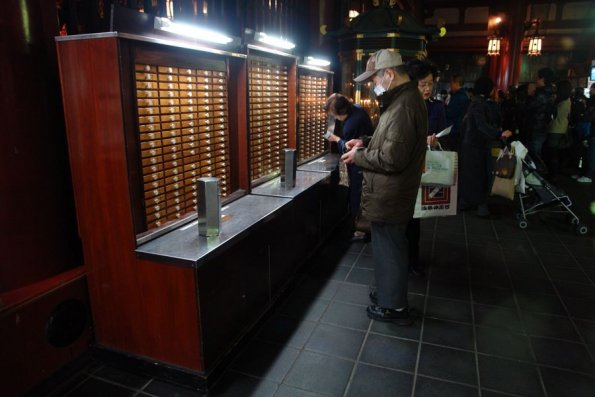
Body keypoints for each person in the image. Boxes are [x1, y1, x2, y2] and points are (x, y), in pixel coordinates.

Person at [341, 49, 427, 325]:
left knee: (389, 248)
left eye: (374, 79)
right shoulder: (402, 99)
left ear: (388, 74)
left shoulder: (403, 106)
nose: (372, 85)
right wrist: (364, 141)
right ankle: (389, 294)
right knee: (387, 246)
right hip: (389, 191)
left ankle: (394, 307)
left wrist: (358, 157)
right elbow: (389, 140)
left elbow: (392, 158)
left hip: (392, 192)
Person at [404, 58, 447, 277]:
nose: (428, 88)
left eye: (430, 83)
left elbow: (446, 133)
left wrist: (436, 140)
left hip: (425, 166)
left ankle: (413, 260)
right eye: (423, 84)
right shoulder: (403, 106)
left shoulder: (437, 107)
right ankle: (402, 260)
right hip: (405, 168)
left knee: (416, 216)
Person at [458, 76, 513, 217]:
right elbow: (482, 125)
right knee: (481, 175)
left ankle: (465, 202)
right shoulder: (480, 103)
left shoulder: (475, 102)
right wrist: (499, 134)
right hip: (477, 145)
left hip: (469, 144)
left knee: (470, 174)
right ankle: (480, 206)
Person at [324, 93, 374, 239]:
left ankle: (360, 229)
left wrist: (335, 139)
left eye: (333, 114)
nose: (333, 117)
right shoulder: (358, 109)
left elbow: (348, 151)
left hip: (360, 164)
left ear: (340, 113)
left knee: (356, 196)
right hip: (367, 159)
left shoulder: (351, 125)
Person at [524, 67, 556, 171]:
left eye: (538, 78)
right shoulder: (552, 93)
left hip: (536, 126)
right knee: (537, 151)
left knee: (534, 153)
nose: (536, 80)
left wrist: (529, 94)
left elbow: (529, 107)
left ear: (542, 79)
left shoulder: (542, 94)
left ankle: (537, 175)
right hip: (544, 126)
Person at [544, 80, 572, 182]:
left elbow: (553, 114)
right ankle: (555, 173)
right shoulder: (568, 100)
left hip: (555, 129)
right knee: (555, 153)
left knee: (552, 154)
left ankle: (553, 175)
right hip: (562, 129)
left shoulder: (561, 101)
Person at [574, 83, 595, 183]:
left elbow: (590, 116)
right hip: (589, 130)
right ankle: (583, 173)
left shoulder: (592, 101)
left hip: (591, 131)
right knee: (586, 153)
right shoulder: (589, 100)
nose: (590, 91)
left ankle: (588, 175)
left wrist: (584, 117)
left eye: (592, 89)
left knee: (590, 154)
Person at [445, 74, 470, 151]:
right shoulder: (465, 95)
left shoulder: (458, 97)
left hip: (454, 129)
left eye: (451, 83)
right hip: (461, 128)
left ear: (456, 83)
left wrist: (444, 108)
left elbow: (450, 113)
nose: (450, 85)